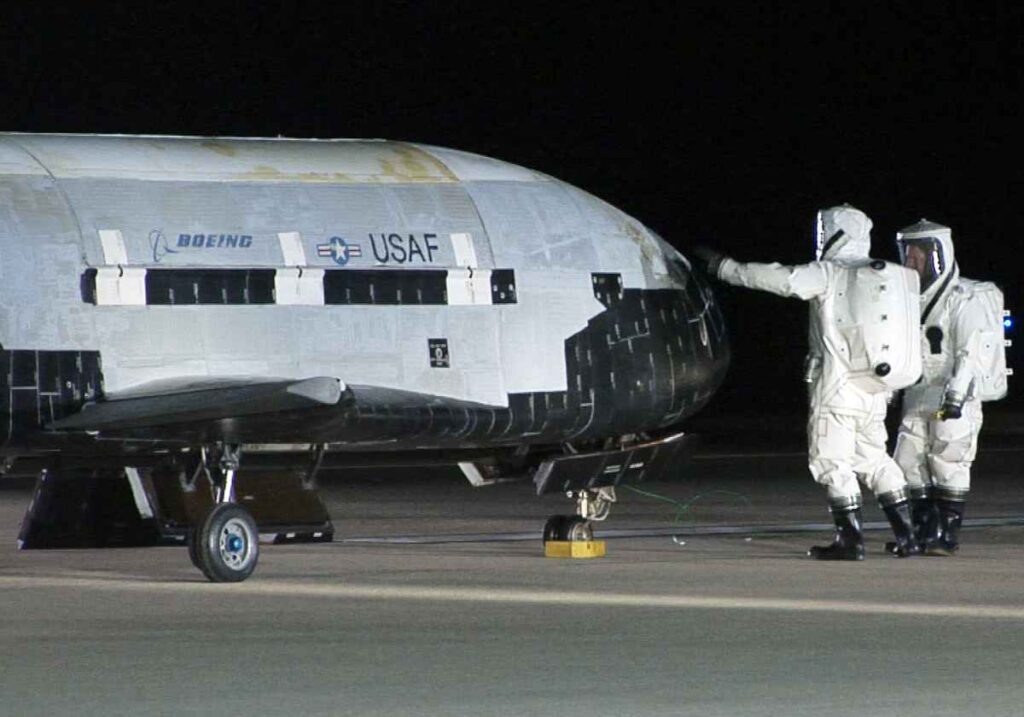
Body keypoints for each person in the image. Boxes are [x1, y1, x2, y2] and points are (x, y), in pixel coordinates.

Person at [694, 205, 923, 559]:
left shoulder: (830, 273)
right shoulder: (877, 276)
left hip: (836, 390)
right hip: (875, 393)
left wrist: (726, 268)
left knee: (830, 461)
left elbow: (782, 279)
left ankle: (850, 541)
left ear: (832, 233)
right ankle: (908, 536)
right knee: (875, 460)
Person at [892, 220, 1006, 555]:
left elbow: (970, 351)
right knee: (908, 460)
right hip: (918, 391)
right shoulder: (908, 299)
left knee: (948, 460)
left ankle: (946, 533)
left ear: (937, 255)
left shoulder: (963, 298)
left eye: (918, 256)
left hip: (953, 392)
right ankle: (923, 530)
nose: (911, 262)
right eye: (907, 255)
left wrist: (956, 396)